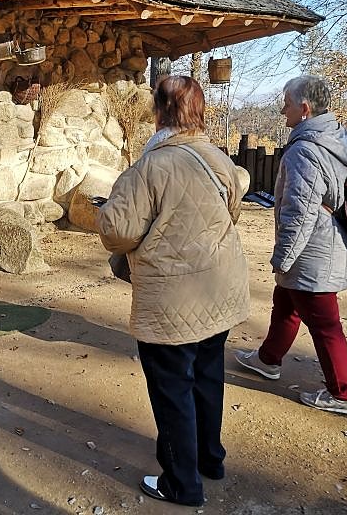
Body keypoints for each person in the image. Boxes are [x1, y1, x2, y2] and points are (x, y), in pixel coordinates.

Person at [96, 75, 250, 507]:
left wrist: (104, 210)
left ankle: (181, 483)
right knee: (207, 376)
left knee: (172, 389)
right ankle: (209, 459)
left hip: (170, 301)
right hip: (219, 290)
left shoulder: (149, 167)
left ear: (159, 112)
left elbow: (117, 231)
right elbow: (231, 210)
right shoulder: (217, 158)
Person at [234, 74, 347, 416]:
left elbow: (299, 211)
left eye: (286, 104)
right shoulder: (336, 137)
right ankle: (268, 359)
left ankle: (343, 395)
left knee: (324, 323)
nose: (282, 110)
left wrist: (283, 257)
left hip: (314, 251)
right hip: (328, 241)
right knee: (286, 302)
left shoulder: (305, 150)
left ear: (304, 109)